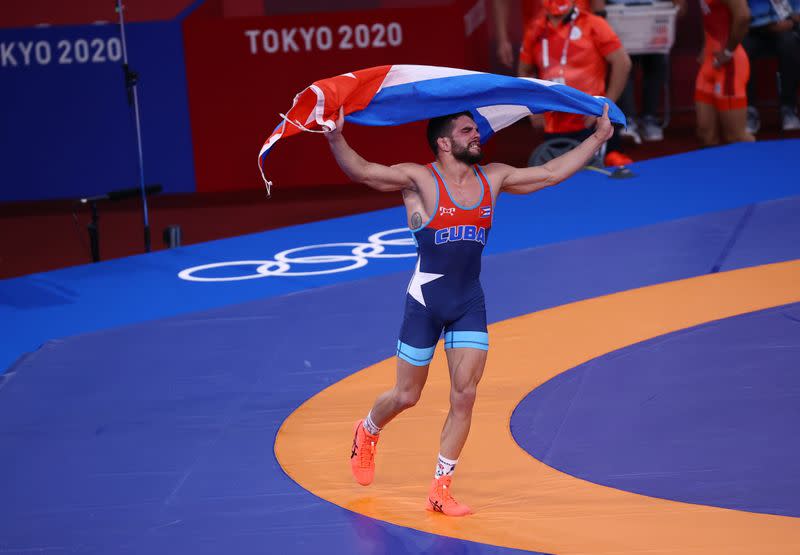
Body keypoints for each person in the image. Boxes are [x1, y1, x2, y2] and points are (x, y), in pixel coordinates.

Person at [328, 104, 614, 516]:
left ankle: (440, 488)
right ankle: (368, 429)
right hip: (425, 303)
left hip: (468, 303)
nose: (476, 134)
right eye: (466, 131)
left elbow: (551, 174)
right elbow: (364, 171)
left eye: (475, 129)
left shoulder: (493, 177)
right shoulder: (421, 179)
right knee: (407, 395)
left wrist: (597, 138)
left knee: (465, 395)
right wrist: (336, 136)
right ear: (444, 143)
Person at [517, 0, 633, 166]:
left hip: (591, 121)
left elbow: (622, 62)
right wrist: (532, 110)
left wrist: (606, 105)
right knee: (560, 182)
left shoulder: (594, 24)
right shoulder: (535, 29)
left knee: (606, 173)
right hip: (554, 125)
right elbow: (524, 71)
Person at [695, 0, 755, 145]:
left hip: (730, 66)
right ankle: (714, 168)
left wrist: (728, 51)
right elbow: (709, 14)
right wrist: (705, 46)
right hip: (710, 62)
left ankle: (758, 166)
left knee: (736, 137)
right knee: (705, 135)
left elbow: (744, 16)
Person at [742, 0, 800, 132]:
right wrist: (767, 24)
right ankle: (750, 110)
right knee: (743, 49)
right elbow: (744, 13)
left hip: (786, 27)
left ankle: (788, 109)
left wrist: (792, 21)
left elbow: (797, 11)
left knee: (790, 44)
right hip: (754, 29)